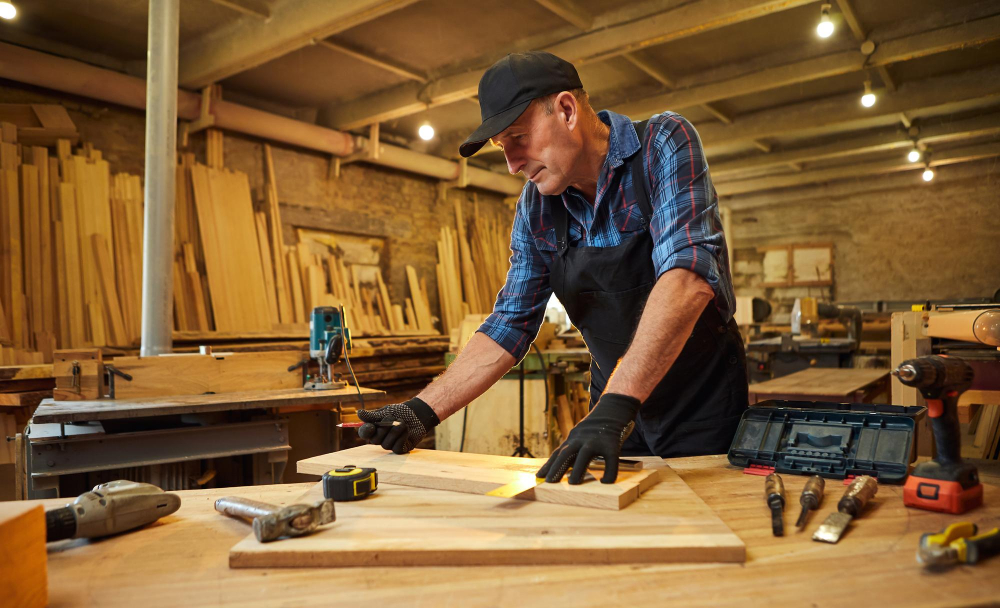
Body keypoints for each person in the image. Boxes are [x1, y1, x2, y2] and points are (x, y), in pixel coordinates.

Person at [358, 51, 748, 485]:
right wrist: (420, 411)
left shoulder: (662, 144)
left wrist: (617, 406)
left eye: (518, 138)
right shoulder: (537, 207)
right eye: (502, 148)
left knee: (706, 530)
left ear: (565, 110)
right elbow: (510, 323)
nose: (512, 163)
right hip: (612, 408)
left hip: (700, 403)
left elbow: (688, 277)